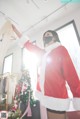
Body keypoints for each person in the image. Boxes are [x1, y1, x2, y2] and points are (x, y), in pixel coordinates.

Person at [12, 25, 80, 119]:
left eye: (48, 34)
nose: (45, 37)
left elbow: (72, 76)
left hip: (57, 98)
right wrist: (16, 31)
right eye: (44, 36)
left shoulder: (61, 50)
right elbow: (29, 45)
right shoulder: (43, 53)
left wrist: (78, 96)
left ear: (54, 37)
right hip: (46, 97)